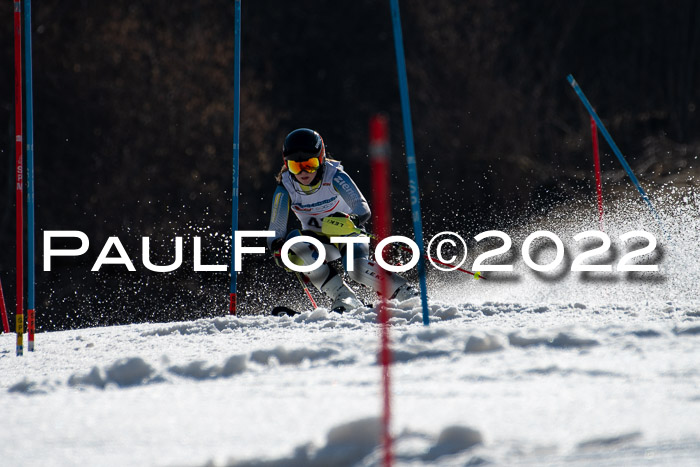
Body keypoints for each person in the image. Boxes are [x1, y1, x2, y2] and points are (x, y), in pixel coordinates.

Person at [267, 128, 419, 312]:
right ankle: (345, 299)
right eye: (295, 166)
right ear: (287, 164)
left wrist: (352, 220)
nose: (303, 172)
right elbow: (275, 230)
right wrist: (277, 248)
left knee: (356, 269)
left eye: (310, 164)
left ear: (321, 159)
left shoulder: (334, 176)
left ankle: (405, 292)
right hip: (321, 241)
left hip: (347, 234)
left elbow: (362, 206)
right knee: (293, 243)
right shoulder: (286, 187)